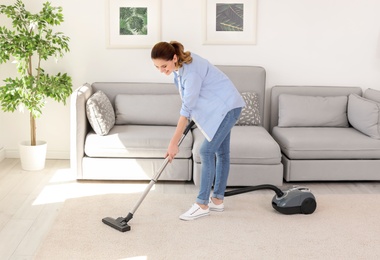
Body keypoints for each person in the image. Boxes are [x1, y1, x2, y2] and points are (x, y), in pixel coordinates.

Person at [151, 41, 245, 221]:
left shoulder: (191, 73)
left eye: (164, 65)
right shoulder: (178, 71)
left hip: (228, 107)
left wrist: (173, 144)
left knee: (206, 151)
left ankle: (202, 204)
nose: (162, 70)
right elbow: (191, 101)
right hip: (221, 108)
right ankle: (217, 200)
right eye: (157, 67)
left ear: (174, 58)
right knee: (222, 153)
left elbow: (186, 109)